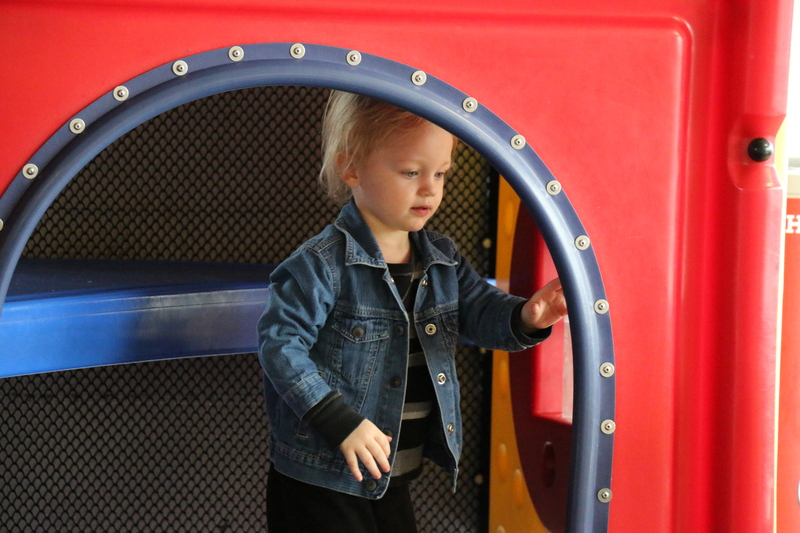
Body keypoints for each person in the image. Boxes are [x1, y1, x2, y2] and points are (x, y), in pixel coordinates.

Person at [257, 91, 568, 533]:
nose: (430, 188)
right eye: (410, 172)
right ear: (351, 167)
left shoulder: (442, 258)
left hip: (390, 471)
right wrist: (339, 422)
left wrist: (528, 316)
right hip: (324, 475)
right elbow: (280, 345)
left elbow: (480, 312)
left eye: (440, 173)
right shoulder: (321, 263)